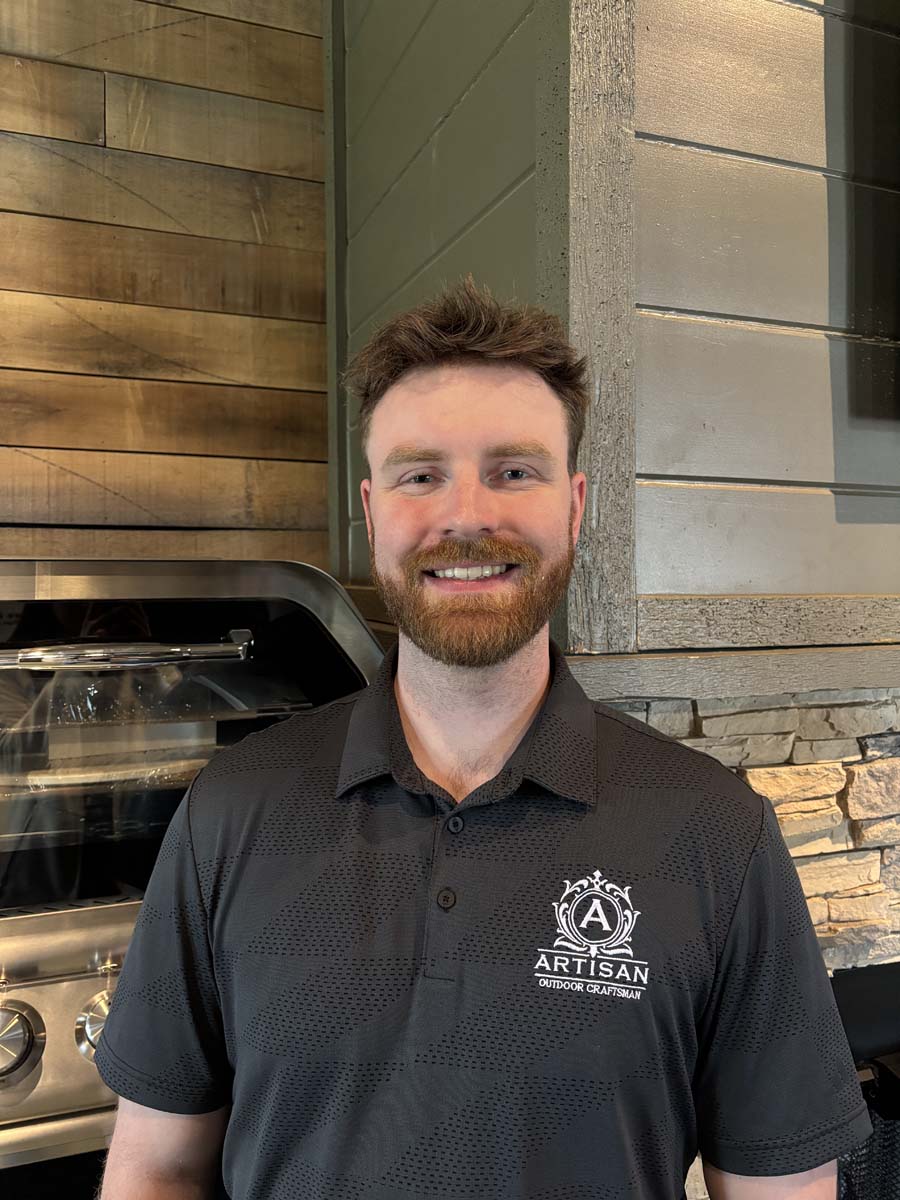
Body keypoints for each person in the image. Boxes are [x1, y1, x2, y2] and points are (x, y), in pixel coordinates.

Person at [95, 278, 872, 1199]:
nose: (466, 515)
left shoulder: (716, 833)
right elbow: (156, 1168)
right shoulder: (230, 811)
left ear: (574, 506)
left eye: (513, 472)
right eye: (421, 475)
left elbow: (785, 1190)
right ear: (373, 511)